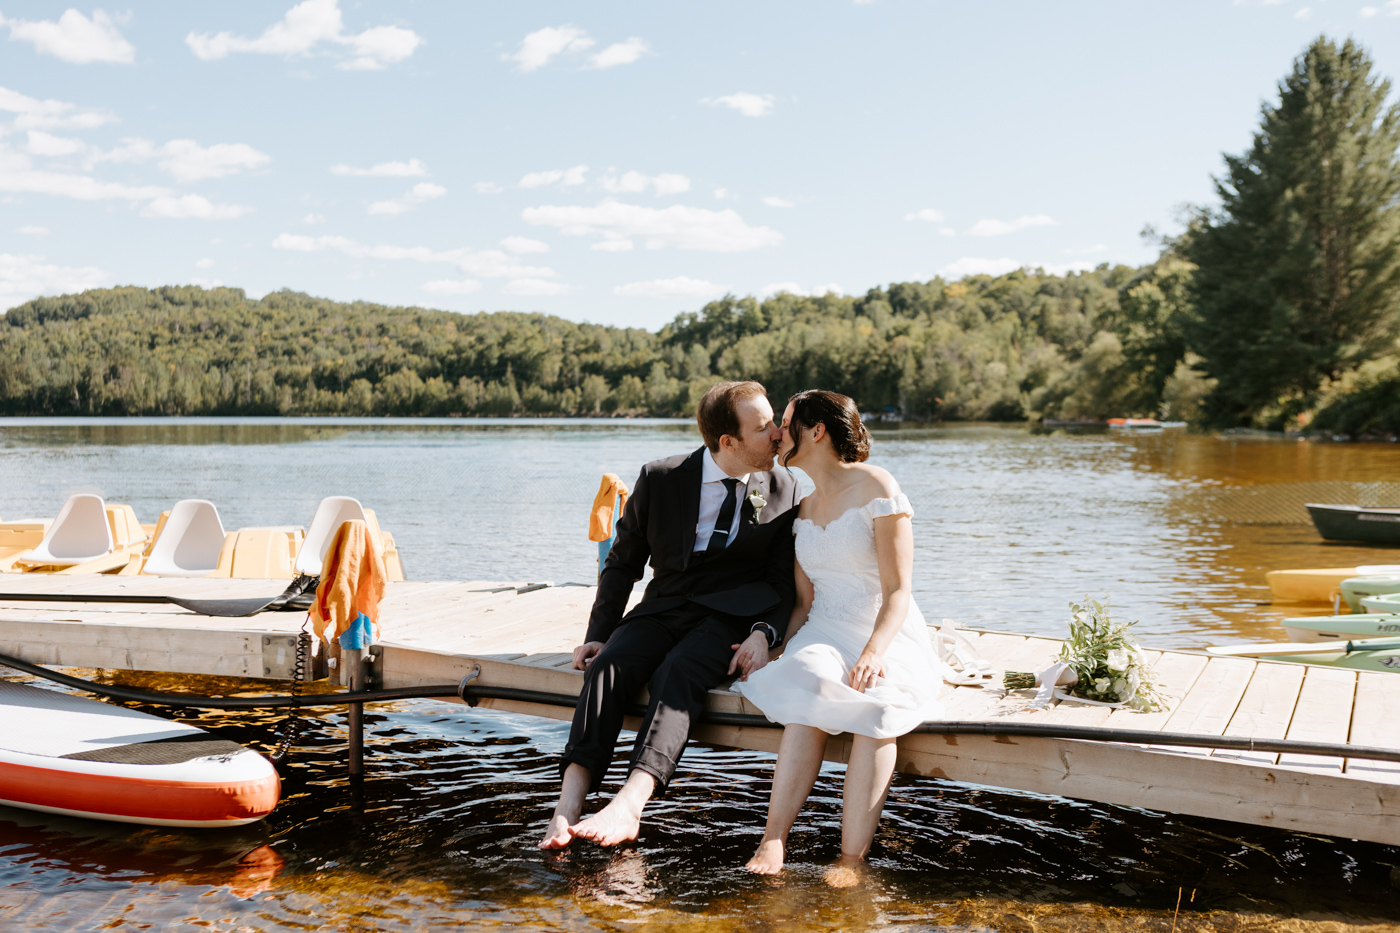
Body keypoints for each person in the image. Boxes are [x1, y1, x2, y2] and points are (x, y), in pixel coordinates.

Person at [538, 380, 803, 849]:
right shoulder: (660, 478)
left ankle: (629, 805)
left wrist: (765, 633)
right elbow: (622, 563)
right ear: (729, 442)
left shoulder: (784, 488)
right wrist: (599, 633)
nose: (778, 435)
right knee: (609, 667)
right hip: (663, 605)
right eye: (764, 429)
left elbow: (784, 582)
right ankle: (566, 808)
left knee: (678, 672)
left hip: (728, 617)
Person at [734, 389, 944, 881]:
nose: (778, 433)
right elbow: (806, 604)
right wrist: (778, 646)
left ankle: (852, 858)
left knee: (878, 706)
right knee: (807, 679)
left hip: (883, 631)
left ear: (817, 431)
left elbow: (898, 591)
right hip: (825, 629)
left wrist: (874, 651)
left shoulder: (879, 487)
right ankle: (774, 839)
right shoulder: (803, 508)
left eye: (785, 422)